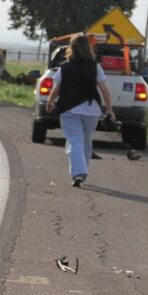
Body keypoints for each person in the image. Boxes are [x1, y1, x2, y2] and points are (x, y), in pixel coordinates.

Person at [45, 34, 115, 187]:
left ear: (72, 49)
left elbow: (57, 88)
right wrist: (109, 110)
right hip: (92, 110)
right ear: (89, 48)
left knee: (75, 140)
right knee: (86, 141)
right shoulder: (95, 66)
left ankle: (78, 173)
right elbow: (104, 90)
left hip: (69, 110)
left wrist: (50, 101)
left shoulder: (65, 67)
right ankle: (82, 172)